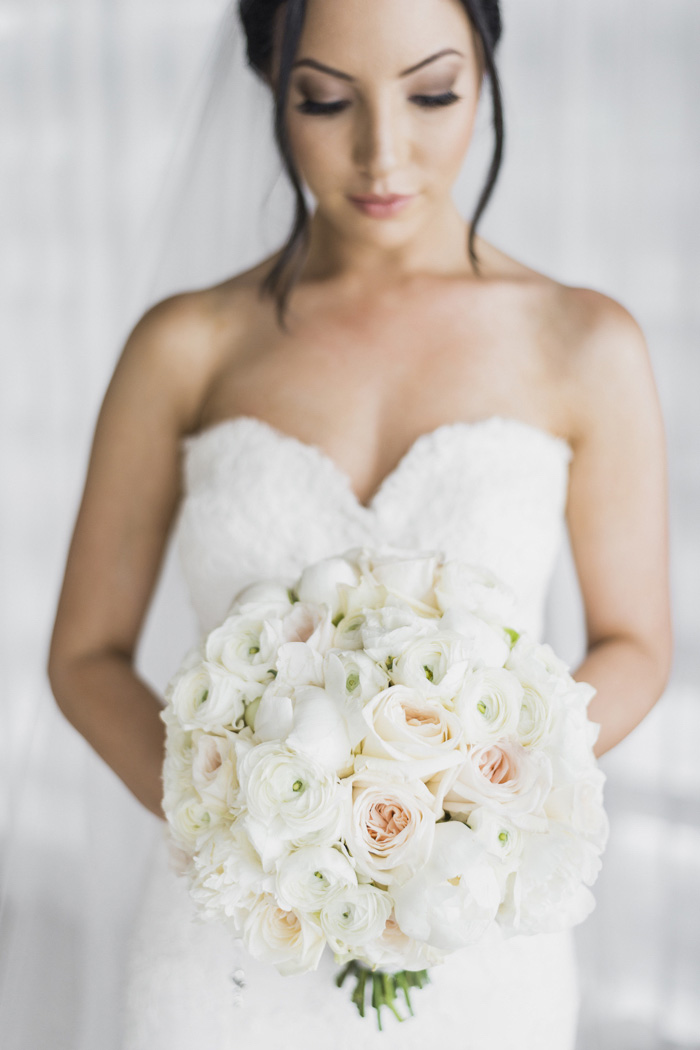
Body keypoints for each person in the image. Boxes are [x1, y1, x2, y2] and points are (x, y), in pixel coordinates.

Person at [46, 0, 673, 1046]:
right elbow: (85, 656)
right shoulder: (184, 347)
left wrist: (471, 796)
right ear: (269, 86)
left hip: (478, 939)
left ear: (486, 68)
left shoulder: (584, 342)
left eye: (432, 93)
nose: (384, 151)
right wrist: (251, 822)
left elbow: (637, 645)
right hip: (225, 951)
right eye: (325, 100)